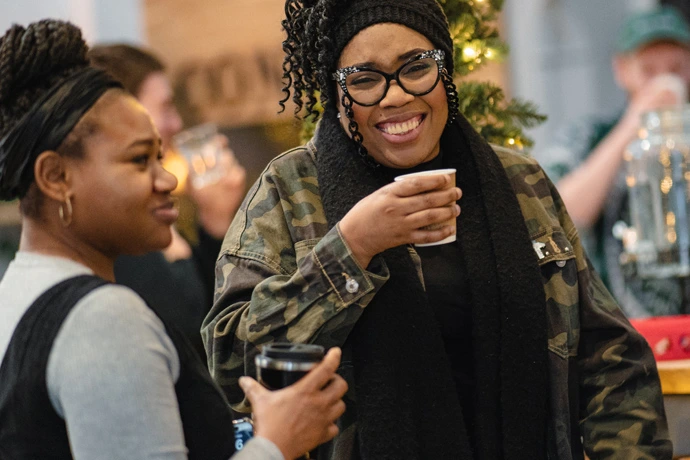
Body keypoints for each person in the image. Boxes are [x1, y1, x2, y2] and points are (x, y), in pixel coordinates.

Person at [202, 1, 672, 459]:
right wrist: (352, 247)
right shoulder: (289, 191)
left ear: (444, 70)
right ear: (335, 93)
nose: (396, 96)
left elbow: (610, 357)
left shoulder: (518, 181)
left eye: (416, 68)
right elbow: (232, 366)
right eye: (364, 80)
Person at [0, 19, 347, 460]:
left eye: (159, 156)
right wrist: (276, 442)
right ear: (55, 176)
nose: (166, 179)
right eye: (138, 160)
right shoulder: (104, 318)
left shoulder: (18, 289)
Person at [88, 44, 247, 359]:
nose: (176, 124)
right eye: (165, 108)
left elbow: (208, 307)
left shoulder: (155, 210)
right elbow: (193, 333)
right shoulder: (116, 229)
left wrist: (216, 222)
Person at [535, 6, 690, 317]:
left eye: (676, 68)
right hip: (618, 327)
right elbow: (557, 215)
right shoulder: (588, 136)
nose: (664, 81)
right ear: (622, 70)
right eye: (649, 70)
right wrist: (634, 124)